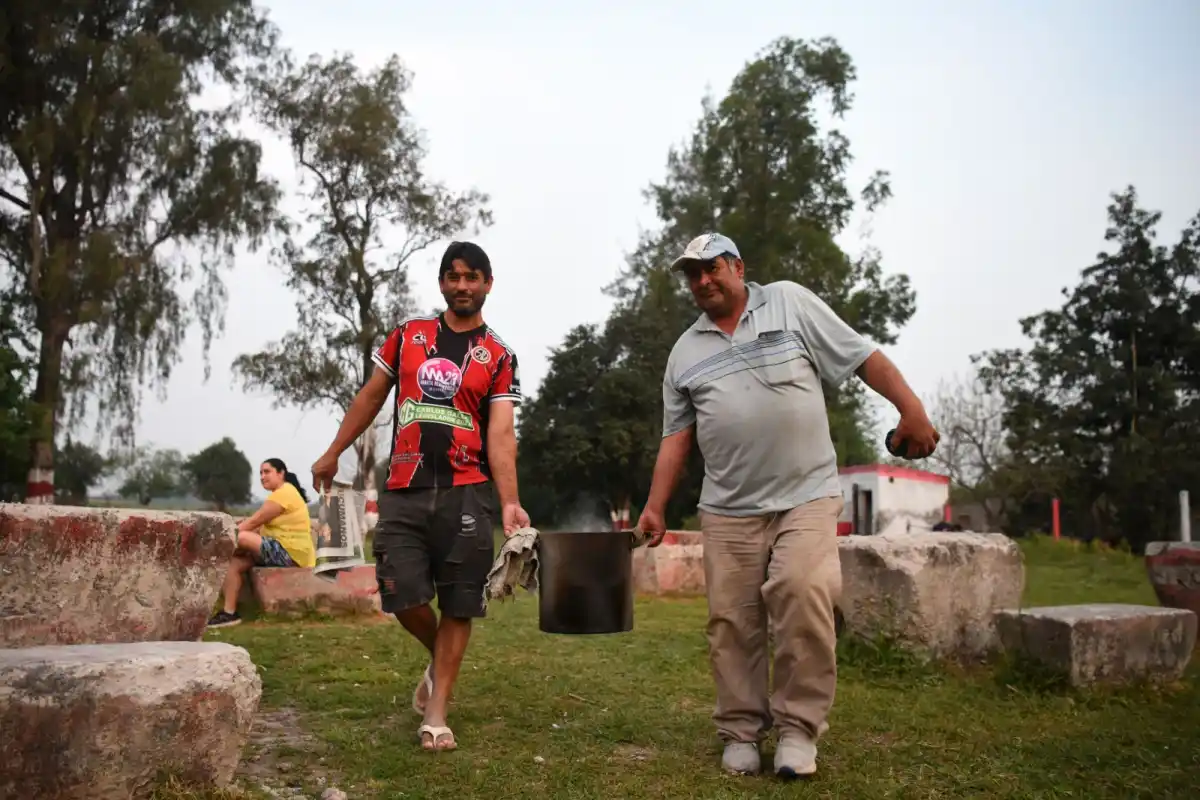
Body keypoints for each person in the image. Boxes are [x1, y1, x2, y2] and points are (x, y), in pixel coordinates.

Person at [636, 233, 939, 780]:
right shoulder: (684, 353)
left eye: (712, 269)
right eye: (692, 274)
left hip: (805, 495)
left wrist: (910, 407)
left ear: (737, 266)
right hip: (727, 509)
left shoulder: (788, 302)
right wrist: (655, 506)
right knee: (732, 622)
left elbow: (862, 357)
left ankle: (799, 730)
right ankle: (740, 731)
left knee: (804, 593)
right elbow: (676, 436)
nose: (702, 281)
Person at [311, 240, 529, 753]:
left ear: (488, 284)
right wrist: (332, 452)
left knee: (458, 602)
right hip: (404, 489)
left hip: (467, 493)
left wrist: (511, 501)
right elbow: (370, 396)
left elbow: (500, 435)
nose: (462, 286)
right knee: (401, 594)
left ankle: (437, 711)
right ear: (441, 283)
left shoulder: (499, 355)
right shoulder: (408, 336)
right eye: (453, 276)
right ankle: (442, 661)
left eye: (472, 277)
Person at [208, 458, 315, 628]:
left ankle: (205, 557)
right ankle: (229, 613)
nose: (262, 476)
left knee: (241, 537)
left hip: (290, 553)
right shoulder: (279, 494)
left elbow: (252, 523)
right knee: (233, 564)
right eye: (260, 473)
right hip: (277, 550)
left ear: (281, 474)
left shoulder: (284, 493)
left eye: (267, 472)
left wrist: (221, 539)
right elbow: (258, 528)